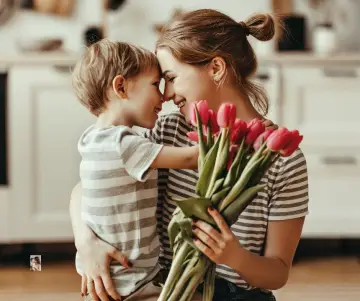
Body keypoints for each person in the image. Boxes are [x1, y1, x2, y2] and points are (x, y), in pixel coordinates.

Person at [70, 9, 309, 301]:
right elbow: (90, 185)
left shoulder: (282, 159)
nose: (166, 94)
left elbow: (278, 273)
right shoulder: (169, 131)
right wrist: (87, 243)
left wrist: (233, 255)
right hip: (165, 289)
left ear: (217, 68)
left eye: (170, 77)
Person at [71, 39, 201, 301]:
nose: (164, 96)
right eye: (155, 84)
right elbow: (190, 159)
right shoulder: (124, 144)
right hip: (133, 284)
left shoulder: (91, 138)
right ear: (120, 87)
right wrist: (239, 136)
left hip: (111, 278)